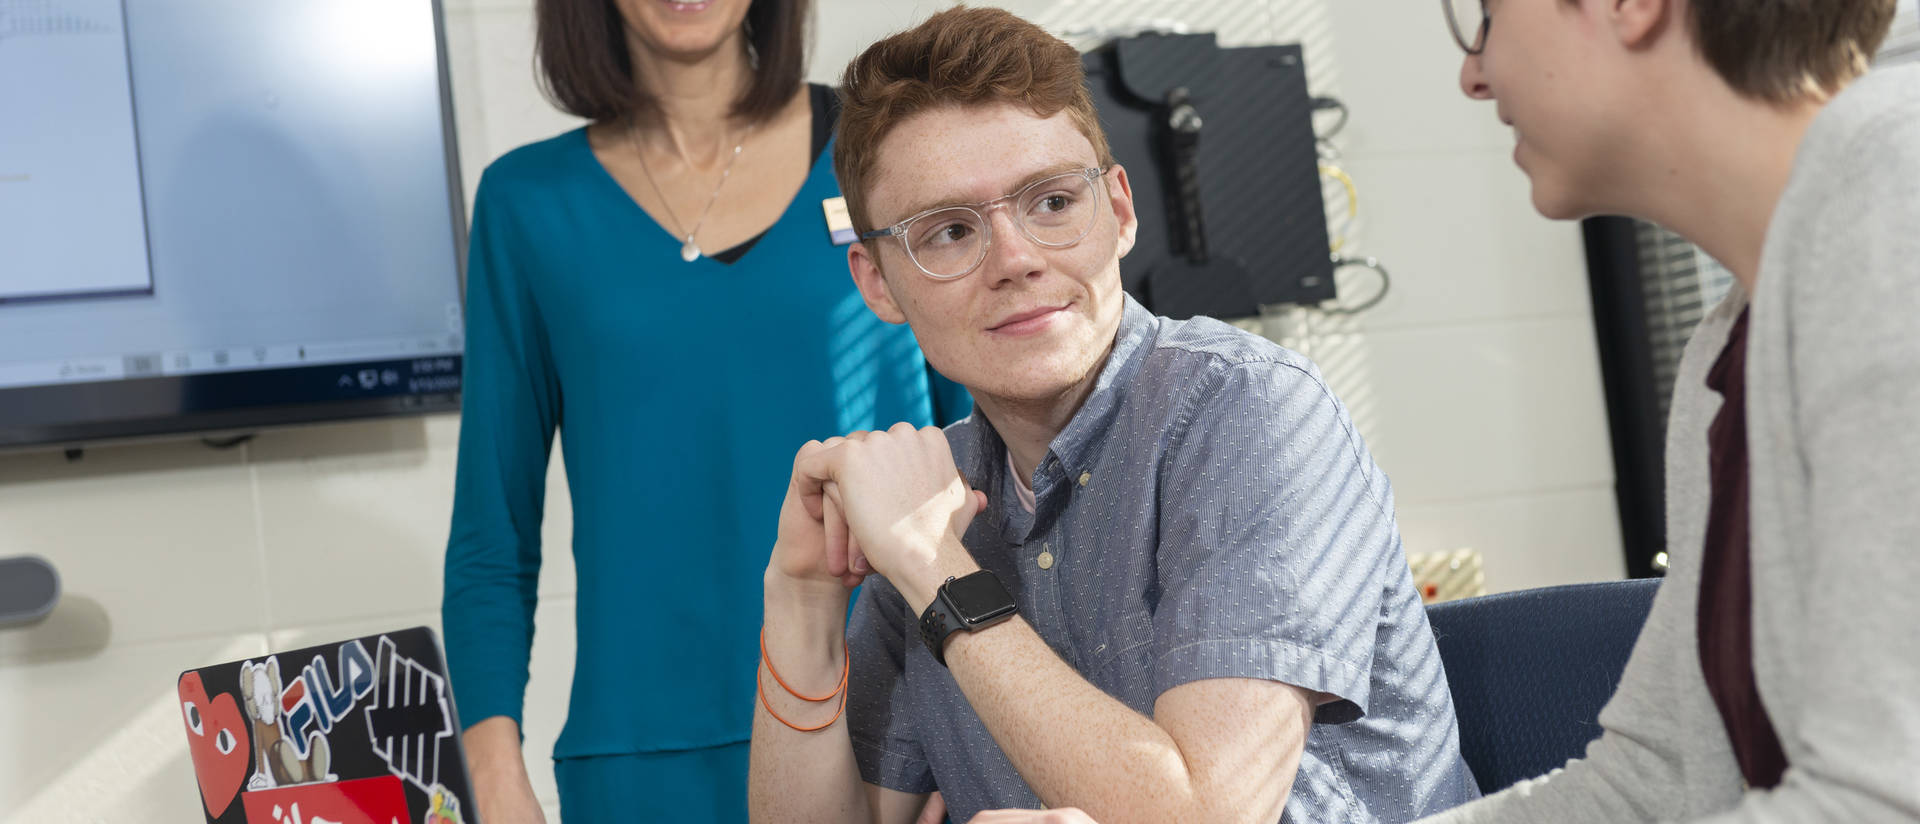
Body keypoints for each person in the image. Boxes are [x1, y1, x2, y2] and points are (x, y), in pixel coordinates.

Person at [746, 8, 1480, 824]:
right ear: (877, 282)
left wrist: (931, 565)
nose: (1018, 258)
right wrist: (805, 598)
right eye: (950, 231)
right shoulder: (935, 501)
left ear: (1121, 211)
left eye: (1053, 202)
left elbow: (1205, 815)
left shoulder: (1254, 409)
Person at [441, 1, 967, 821]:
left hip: (895, 744)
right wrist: (495, 777)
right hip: (643, 764)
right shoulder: (526, 203)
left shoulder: (889, 150)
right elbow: (491, 533)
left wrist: (980, 734)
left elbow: (993, 466)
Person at [1418, 0, 1920, 821]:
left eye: (1490, 17)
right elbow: (1665, 777)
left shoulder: (1898, 208)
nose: (1474, 74)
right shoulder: (1727, 348)